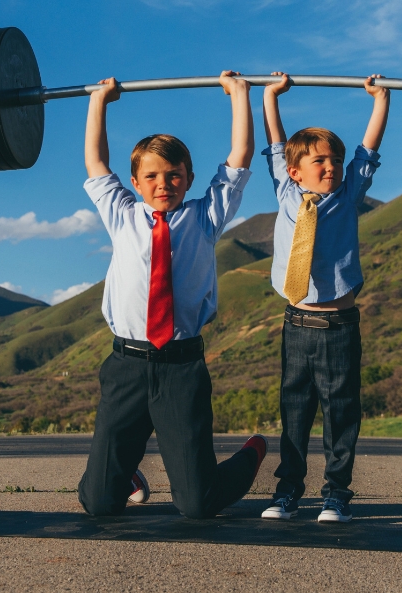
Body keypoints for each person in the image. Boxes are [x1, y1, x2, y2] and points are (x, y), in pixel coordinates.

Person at [77, 71, 268, 519]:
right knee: (98, 503)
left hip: (182, 368)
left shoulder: (206, 217)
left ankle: (252, 454)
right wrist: (99, 101)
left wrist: (239, 95)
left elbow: (239, 159)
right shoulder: (121, 214)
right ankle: (125, 473)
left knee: (198, 506)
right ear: (136, 182)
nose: (164, 183)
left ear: (189, 178)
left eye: (175, 175)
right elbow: (94, 161)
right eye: (153, 176)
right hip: (126, 365)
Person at [258, 72, 390, 523]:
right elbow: (276, 143)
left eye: (334, 159)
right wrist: (270, 97)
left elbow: (367, 152)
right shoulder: (285, 190)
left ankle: (336, 494)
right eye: (319, 161)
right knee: (293, 412)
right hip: (295, 326)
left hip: (339, 328)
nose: (330, 167)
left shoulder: (349, 194)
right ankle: (287, 491)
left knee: (340, 413)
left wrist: (379, 100)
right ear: (296, 172)